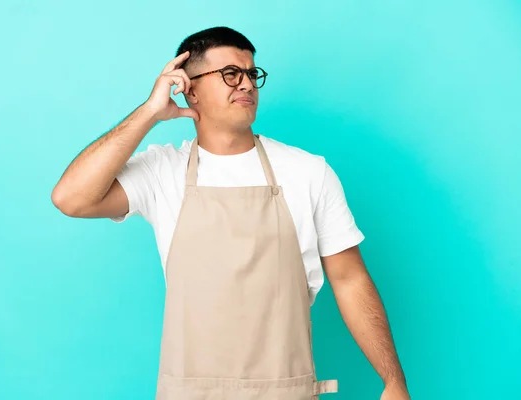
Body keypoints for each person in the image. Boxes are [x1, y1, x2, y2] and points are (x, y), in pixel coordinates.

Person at [51, 26, 410, 400]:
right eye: (230, 74)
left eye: (252, 74)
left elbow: (350, 279)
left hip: (283, 391)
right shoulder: (162, 171)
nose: (247, 85)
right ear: (189, 88)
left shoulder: (307, 171)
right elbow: (71, 198)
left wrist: (393, 381)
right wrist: (149, 112)